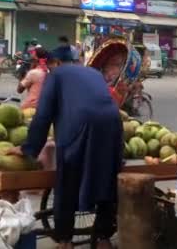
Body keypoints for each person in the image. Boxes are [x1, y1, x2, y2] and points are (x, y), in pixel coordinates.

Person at [7, 52, 122, 249]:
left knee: (67, 182)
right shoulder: (92, 73)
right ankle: (104, 238)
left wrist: (29, 147)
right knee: (107, 178)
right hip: (112, 123)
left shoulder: (55, 75)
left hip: (79, 126)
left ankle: (65, 241)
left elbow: (43, 115)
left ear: (56, 63)